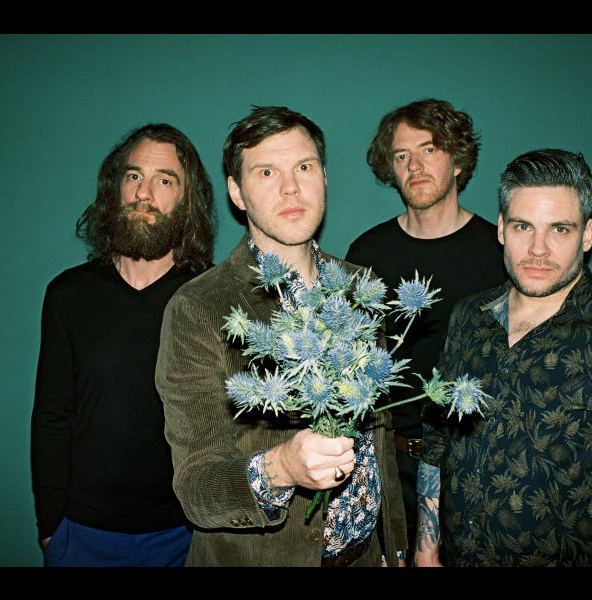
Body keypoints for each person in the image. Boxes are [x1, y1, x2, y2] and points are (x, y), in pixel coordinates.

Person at [415, 148, 592, 567]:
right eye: (523, 226)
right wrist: (425, 551)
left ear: (587, 235)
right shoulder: (469, 317)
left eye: (560, 229)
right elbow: (437, 444)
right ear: (501, 228)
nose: (538, 249)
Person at [155, 106, 406, 567]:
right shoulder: (198, 307)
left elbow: (378, 442)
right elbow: (196, 489)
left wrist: (395, 547)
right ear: (237, 192)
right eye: (267, 172)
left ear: (324, 177)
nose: (291, 187)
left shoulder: (361, 287)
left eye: (304, 167)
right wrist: (282, 468)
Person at [31, 123, 215, 566]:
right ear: (115, 188)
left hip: (185, 535)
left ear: (187, 201)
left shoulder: (211, 296)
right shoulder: (69, 295)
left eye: (164, 180)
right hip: (82, 536)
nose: (143, 193)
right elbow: (52, 417)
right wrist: (51, 528)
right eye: (134, 176)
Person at [345, 98, 506, 561]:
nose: (414, 166)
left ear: (458, 161)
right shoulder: (368, 253)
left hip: (475, 466)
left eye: (429, 149)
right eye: (401, 155)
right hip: (389, 466)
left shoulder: (498, 253)